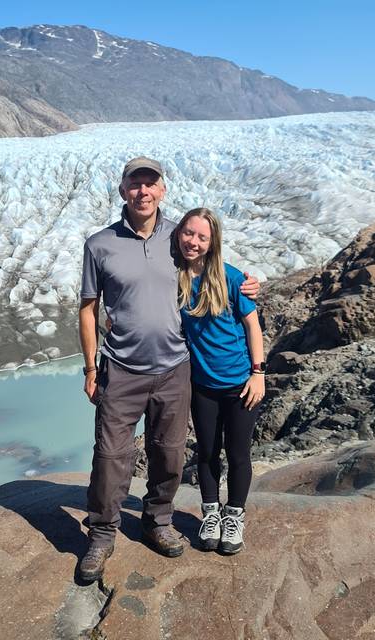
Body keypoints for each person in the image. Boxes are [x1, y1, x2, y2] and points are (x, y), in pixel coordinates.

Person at [78, 157, 259, 581]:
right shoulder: (99, 244)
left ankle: (157, 521)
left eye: (150, 184)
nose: (143, 191)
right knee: (110, 455)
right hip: (120, 368)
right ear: (123, 190)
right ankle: (102, 533)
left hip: (175, 368)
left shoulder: (178, 238)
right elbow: (88, 309)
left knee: (170, 453)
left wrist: (250, 283)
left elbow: (214, 266)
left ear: (162, 190)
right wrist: (90, 367)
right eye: (135, 184)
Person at [175, 207, 265, 554]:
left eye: (201, 236)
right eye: (188, 233)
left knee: (238, 453)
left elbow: (252, 325)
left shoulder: (229, 277)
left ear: (213, 242)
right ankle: (210, 514)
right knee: (208, 451)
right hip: (203, 386)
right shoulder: (176, 276)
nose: (193, 242)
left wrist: (258, 373)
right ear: (179, 234)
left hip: (240, 383)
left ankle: (235, 516)